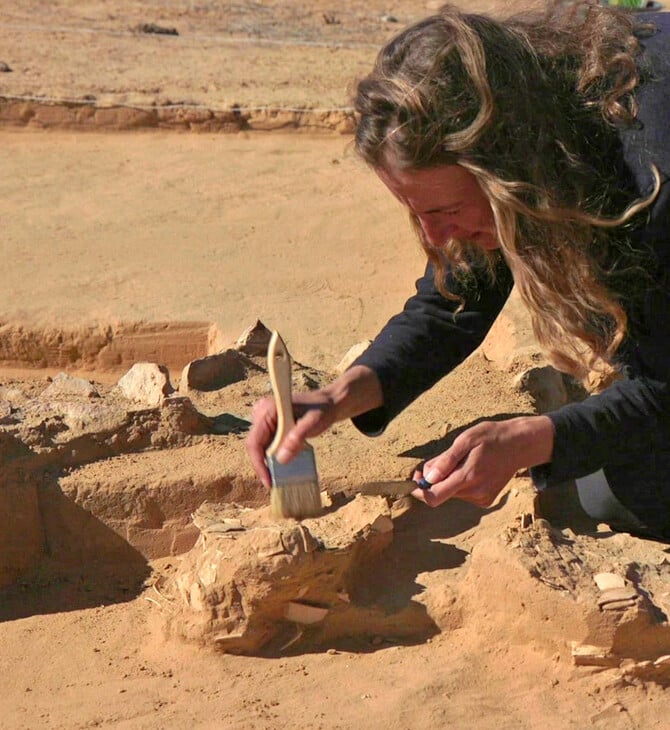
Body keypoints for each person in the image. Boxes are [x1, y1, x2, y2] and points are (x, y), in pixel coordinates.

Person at [246, 1, 670, 541]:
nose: (434, 237)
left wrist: (534, 439)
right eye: (418, 213)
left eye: (444, 213)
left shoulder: (651, 189)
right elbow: (459, 292)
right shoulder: (537, 107)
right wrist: (343, 394)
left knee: (625, 489)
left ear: (506, 170)